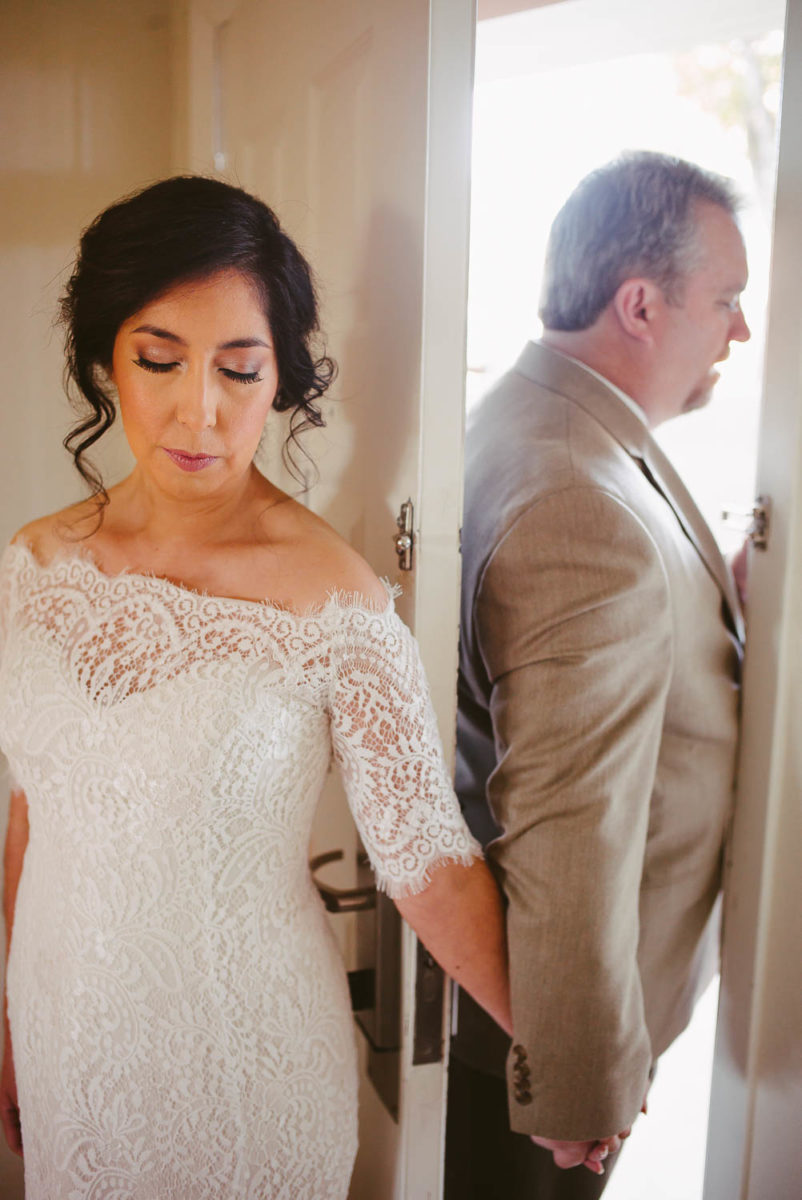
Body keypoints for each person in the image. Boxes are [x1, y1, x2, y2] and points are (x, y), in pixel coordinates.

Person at [0, 175, 512, 1199]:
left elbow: (429, 864)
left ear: (280, 380)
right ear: (106, 362)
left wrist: (557, 1052)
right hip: (66, 1043)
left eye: (240, 370)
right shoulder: (34, 562)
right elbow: (30, 807)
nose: (201, 411)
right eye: (159, 361)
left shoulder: (337, 596)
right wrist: (5, 1025)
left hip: (245, 1070)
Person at [445, 151, 749, 1198]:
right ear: (639, 304)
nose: (740, 331)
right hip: (533, 1065)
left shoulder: (536, 423)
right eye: (725, 300)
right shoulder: (579, 495)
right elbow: (571, 824)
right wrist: (576, 1087)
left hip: (516, 1033)